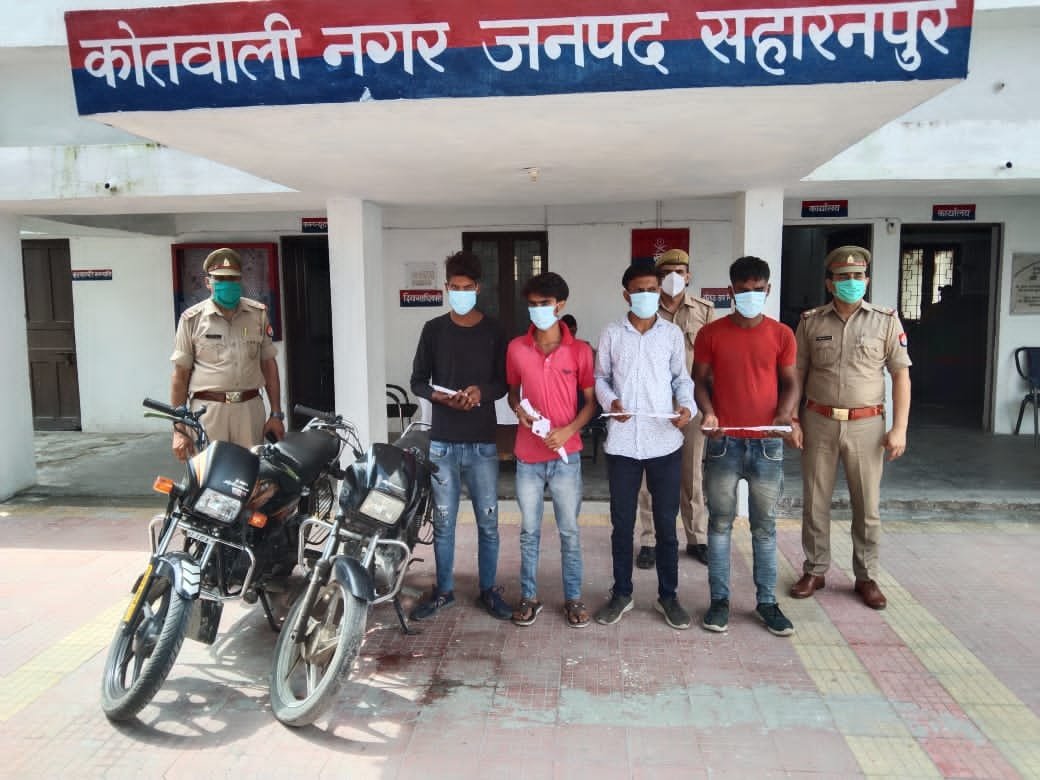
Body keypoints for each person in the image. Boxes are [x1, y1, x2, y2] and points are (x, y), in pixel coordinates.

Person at [790, 245, 911, 610]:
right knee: (815, 500)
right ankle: (815, 569)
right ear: (830, 283)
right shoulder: (811, 321)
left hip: (867, 425)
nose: (852, 282)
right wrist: (793, 418)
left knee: (867, 505)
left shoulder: (886, 321)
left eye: (858, 276)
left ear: (867, 280)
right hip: (818, 421)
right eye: (843, 277)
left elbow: (901, 375)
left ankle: (866, 576)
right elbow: (797, 373)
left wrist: (900, 428)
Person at [693, 256, 801, 637]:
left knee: (764, 527)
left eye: (758, 289)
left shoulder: (782, 335)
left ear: (768, 289)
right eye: (743, 289)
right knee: (719, 524)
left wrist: (784, 414)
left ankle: (767, 603)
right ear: (731, 291)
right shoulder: (711, 334)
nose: (750, 295)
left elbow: (791, 382)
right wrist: (709, 413)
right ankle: (719, 602)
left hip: (767, 444)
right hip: (723, 442)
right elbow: (699, 381)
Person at [408, 250, 511, 621]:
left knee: (488, 523)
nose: (461, 293)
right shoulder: (434, 330)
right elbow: (418, 380)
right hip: (443, 443)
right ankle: (444, 591)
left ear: (478, 288)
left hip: (482, 443)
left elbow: (503, 382)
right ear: (446, 287)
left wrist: (481, 392)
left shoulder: (494, 331)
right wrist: (438, 396)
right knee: (444, 524)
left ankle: (488, 590)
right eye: (455, 287)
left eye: (468, 287)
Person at [593, 260, 695, 630]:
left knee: (666, 524)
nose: (648, 296)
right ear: (627, 295)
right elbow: (600, 377)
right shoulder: (612, 333)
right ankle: (622, 592)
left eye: (653, 290)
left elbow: (681, 379)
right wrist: (610, 402)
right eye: (640, 291)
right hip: (623, 444)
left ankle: (668, 596)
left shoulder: (671, 334)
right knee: (622, 524)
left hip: (664, 441)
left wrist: (687, 406)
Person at [506, 272, 597, 628]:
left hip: (566, 456)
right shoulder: (516, 348)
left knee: (569, 531)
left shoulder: (580, 351)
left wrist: (568, 430)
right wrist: (519, 409)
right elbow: (513, 391)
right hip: (527, 456)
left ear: (560, 305)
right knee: (529, 532)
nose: (538, 310)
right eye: (532, 304)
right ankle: (529, 597)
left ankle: (573, 598)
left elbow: (591, 402)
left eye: (544, 304)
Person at [634, 248, 716, 570]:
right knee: (649, 476)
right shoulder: (645, 308)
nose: (673, 277)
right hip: (653, 405)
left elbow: (712, 363)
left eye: (679, 272)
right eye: (666, 272)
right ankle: (649, 540)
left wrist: (711, 407)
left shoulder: (704, 311)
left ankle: (696, 537)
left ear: (688, 276)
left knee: (691, 472)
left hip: (690, 403)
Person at [169, 247, 284, 461]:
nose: (227, 283)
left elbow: (269, 366)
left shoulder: (257, 315)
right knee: (209, 473)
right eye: (220, 279)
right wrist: (178, 428)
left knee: (250, 473)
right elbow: (180, 375)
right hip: (208, 412)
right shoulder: (191, 319)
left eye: (232, 278)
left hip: (249, 411)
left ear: (240, 281)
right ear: (208, 282)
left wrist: (276, 414)